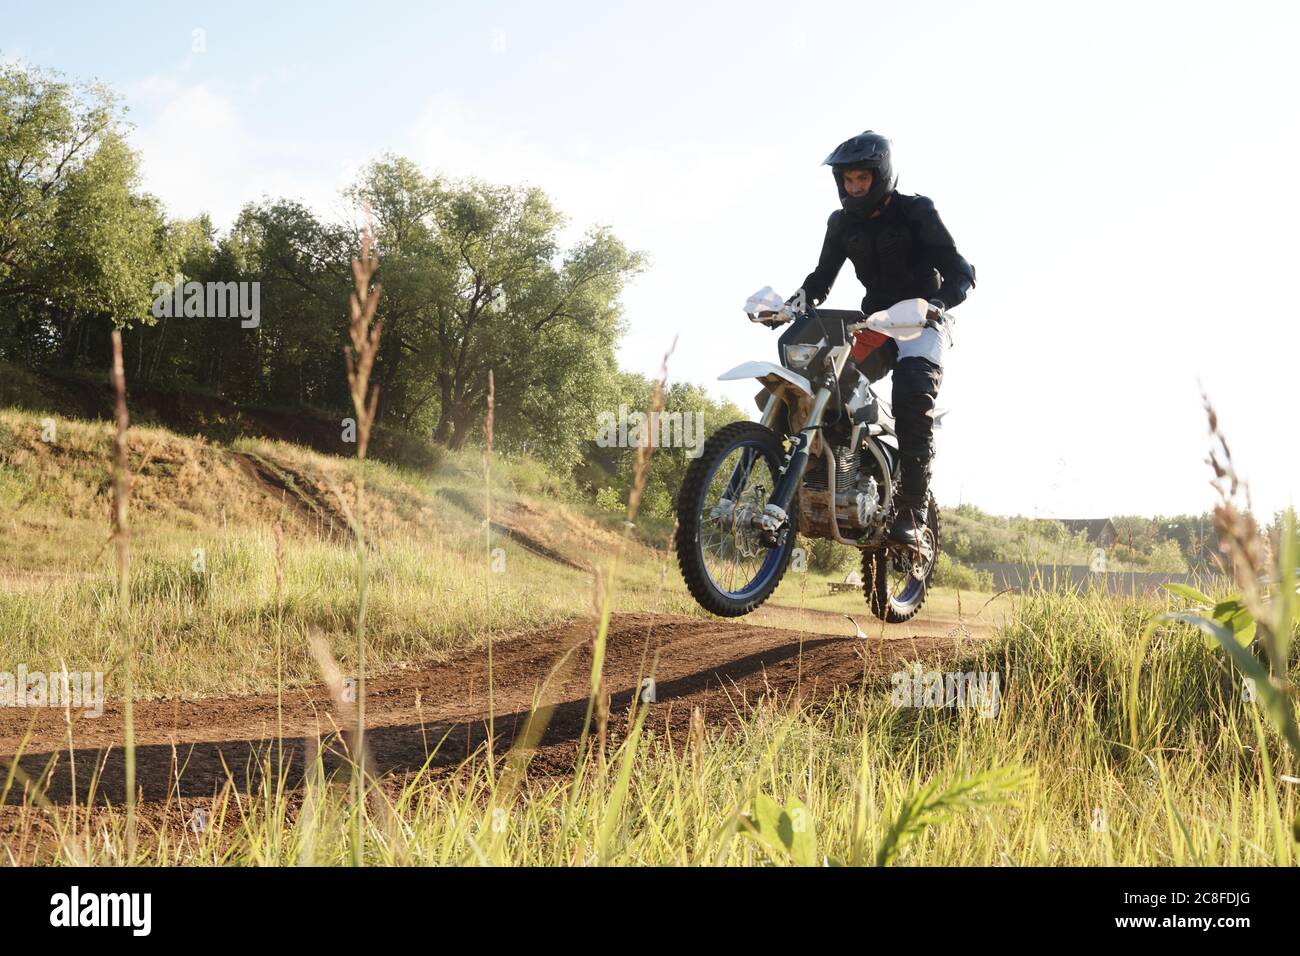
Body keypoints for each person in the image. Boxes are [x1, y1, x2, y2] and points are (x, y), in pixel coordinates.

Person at [777, 130, 976, 549]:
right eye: (848, 180)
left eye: (861, 179)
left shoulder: (916, 212)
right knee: (825, 387)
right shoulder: (841, 223)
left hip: (921, 324)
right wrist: (790, 304)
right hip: (875, 325)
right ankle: (826, 475)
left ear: (880, 175)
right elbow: (819, 282)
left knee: (911, 400)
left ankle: (912, 510)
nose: (854, 187)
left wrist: (937, 304)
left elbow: (962, 272)